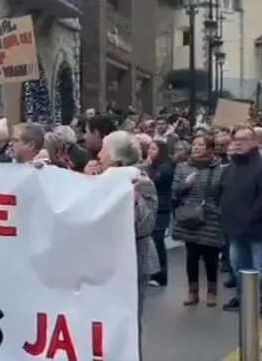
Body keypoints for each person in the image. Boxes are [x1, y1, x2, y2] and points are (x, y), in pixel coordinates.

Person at [95, 130, 158, 360]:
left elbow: (145, 225)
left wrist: (134, 198)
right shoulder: (98, 177)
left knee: (128, 320)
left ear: (117, 158)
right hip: (104, 262)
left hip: (133, 262)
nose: (99, 155)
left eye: (104, 150)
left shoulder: (141, 181)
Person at [220, 126, 262, 317]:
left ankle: (261, 302)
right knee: (238, 266)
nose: (238, 143)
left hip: (257, 228)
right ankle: (243, 297)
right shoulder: (231, 167)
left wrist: (250, 217)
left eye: (243, 139)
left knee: (260, 268)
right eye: (235, 139)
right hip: (235, 227)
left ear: (254, 142)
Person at [171, 135, 226, 307]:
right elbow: (175, 191)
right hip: (190, 217)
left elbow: (223, 193)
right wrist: (186, 183)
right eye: (194, 144)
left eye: (201, 145)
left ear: (210, 149)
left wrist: (218, 210)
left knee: (211, 257)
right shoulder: (183, 167)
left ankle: (212, 292)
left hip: (211, 217)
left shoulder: (220, 169)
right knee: (192, 256)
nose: (196, 147)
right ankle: (192, 292)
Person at [145, 140, 174, 287]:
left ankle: (161, 275)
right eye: (149, 148)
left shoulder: (165, 168)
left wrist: (148, 167)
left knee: (158, 242)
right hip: (154, 209)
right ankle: (153, 273)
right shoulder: (152, 166)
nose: (150, 151)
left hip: (161, 209)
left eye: (153, 149)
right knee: (154, 241)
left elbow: (152, 182)